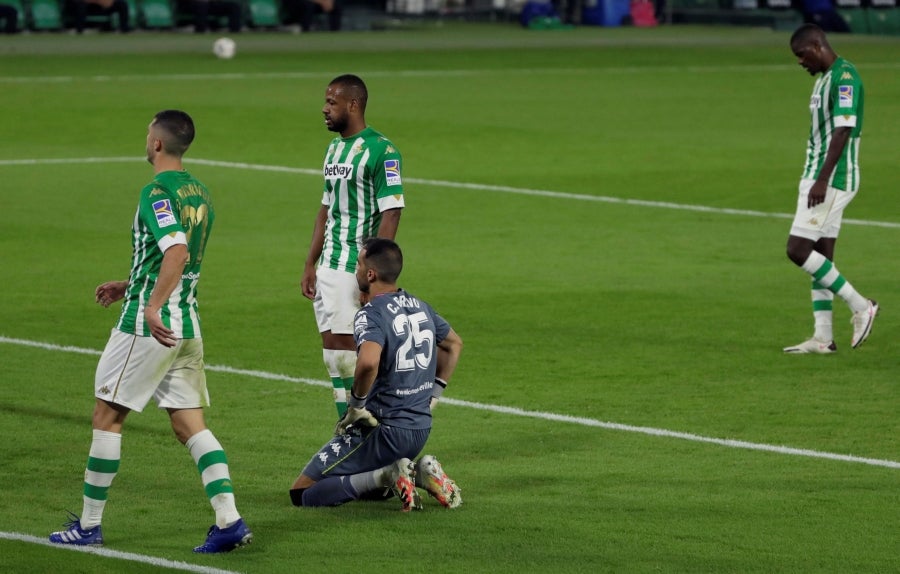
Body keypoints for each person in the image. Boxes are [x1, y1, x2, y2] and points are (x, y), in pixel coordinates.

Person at [49, 110, 253, 553]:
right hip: (188, 323)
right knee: (189, 425)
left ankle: (88, 526)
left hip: (150, 327)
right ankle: (229, 519)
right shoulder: (199, 190)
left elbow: (176, 250)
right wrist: (131, 284)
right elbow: (179, 255)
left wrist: (150, 304)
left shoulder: (155, 191)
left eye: (147, 135)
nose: (146, 141)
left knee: (107, 416)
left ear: (157, 144)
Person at [290, 238, 463, 511]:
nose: (356, 270)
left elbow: (369, 362)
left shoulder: (370, 314)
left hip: (382, 430)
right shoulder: (420, 305)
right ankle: (419, 472)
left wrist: (357, 406)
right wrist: (434, 397)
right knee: (367, 488)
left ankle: (389, 473)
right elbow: (454, 344)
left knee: (303, 493)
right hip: (420, 428)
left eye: (358, 264)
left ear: (370, 274)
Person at [301, 74, 404, 418]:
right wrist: (309, 263)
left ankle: (368, 432)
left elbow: (391, 212)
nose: (324, 109)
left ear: (353, 104)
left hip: (354, 267)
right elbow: (325, 209)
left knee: (351, 351)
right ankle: (349, 426)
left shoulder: (382, 150)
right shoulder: (334, 148)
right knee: (333, 352)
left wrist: (372, 277)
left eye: (332, 102)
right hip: (328, 264)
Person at [783, 24, 877, 355]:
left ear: (817, 46)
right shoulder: (824, 79)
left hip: (832, 179)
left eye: (802, 55)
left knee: (797, 250)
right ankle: (823, 337)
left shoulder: (844, 77)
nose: (800, 62)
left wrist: (822, 179)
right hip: (817, 176)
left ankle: (861, 306)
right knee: (820, 255)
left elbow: (842, 131)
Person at [66, 0, 132, 34]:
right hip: (84, 5)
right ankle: (79, 30)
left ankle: (124, 29)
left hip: (100, 5)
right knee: (80, 5)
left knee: (122, 4)